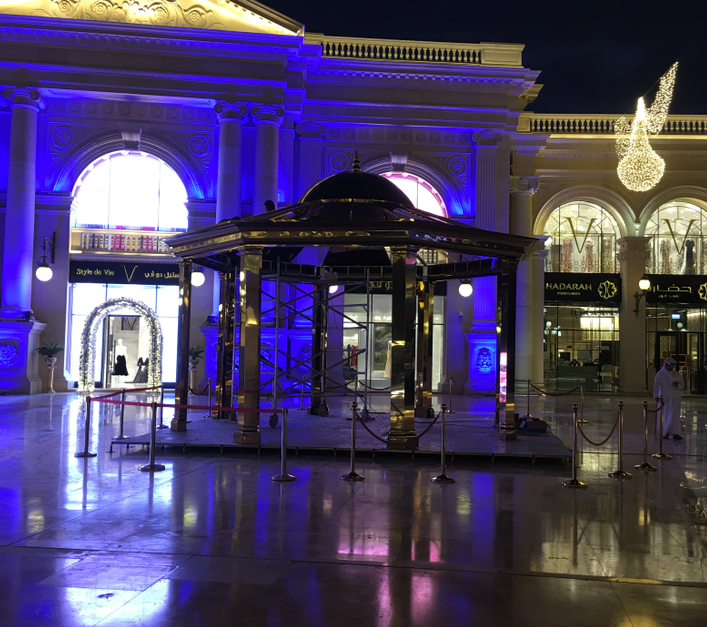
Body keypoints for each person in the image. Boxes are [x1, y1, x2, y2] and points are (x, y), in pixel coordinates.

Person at [653, 357, 685, 440]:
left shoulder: (676, 374)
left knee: (675, 416)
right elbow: (656, 385)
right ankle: (664, 432)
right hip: (664, 399)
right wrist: (656, 395)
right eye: (669, 366)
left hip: (675, 398)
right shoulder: (660, 374)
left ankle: (675, 433)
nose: (670, 368)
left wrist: (677, 384)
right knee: (664, 415)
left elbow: (682, 385)